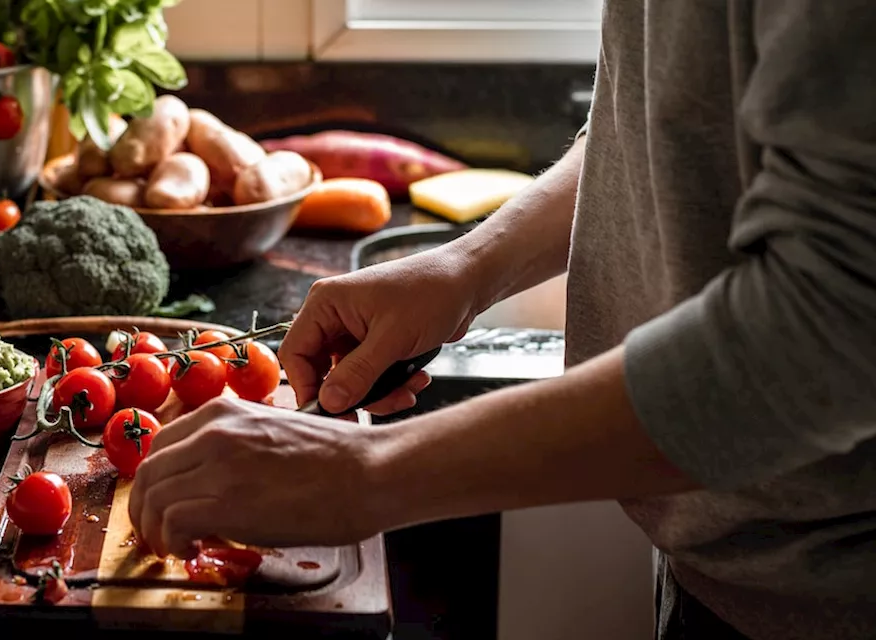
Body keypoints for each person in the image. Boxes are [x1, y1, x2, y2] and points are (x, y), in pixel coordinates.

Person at [128, 3, 876, 638]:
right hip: (729, 565)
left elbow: (834, 325)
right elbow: (663, 126)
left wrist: (371, 471)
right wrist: (469, 265)